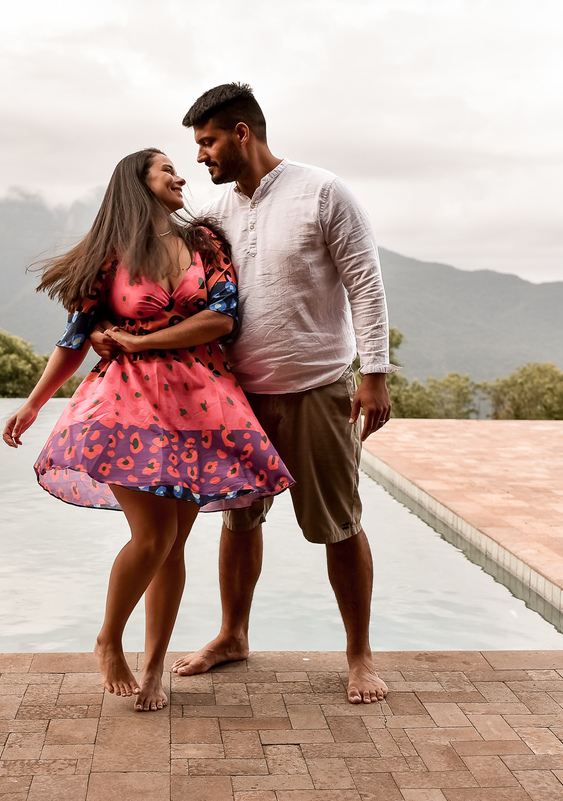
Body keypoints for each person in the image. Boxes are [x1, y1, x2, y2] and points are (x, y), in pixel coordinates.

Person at [104, 84, 397, 704]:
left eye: (207, 142)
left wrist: (375, 373)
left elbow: (365, 285)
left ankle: (360, 655)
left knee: (338, 526)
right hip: (235, 399)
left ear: (242, 133)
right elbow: (171, 271)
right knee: (239, 523)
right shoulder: (214, 216)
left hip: (316, 387)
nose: (201, 156)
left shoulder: (322, 191)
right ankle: (233, 635)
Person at [2, 147, 293, 712]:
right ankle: (108, 639)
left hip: (202, 402)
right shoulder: (110, 258)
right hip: (128, 405)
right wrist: (35, 404)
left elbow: (222, 316)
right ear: (138, 183)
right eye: (167, 169)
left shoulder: (205, 243)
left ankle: (155, 667)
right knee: (153, 538)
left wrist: (139, 339)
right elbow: (74, 339)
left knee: (175, 543)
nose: (181, 175)